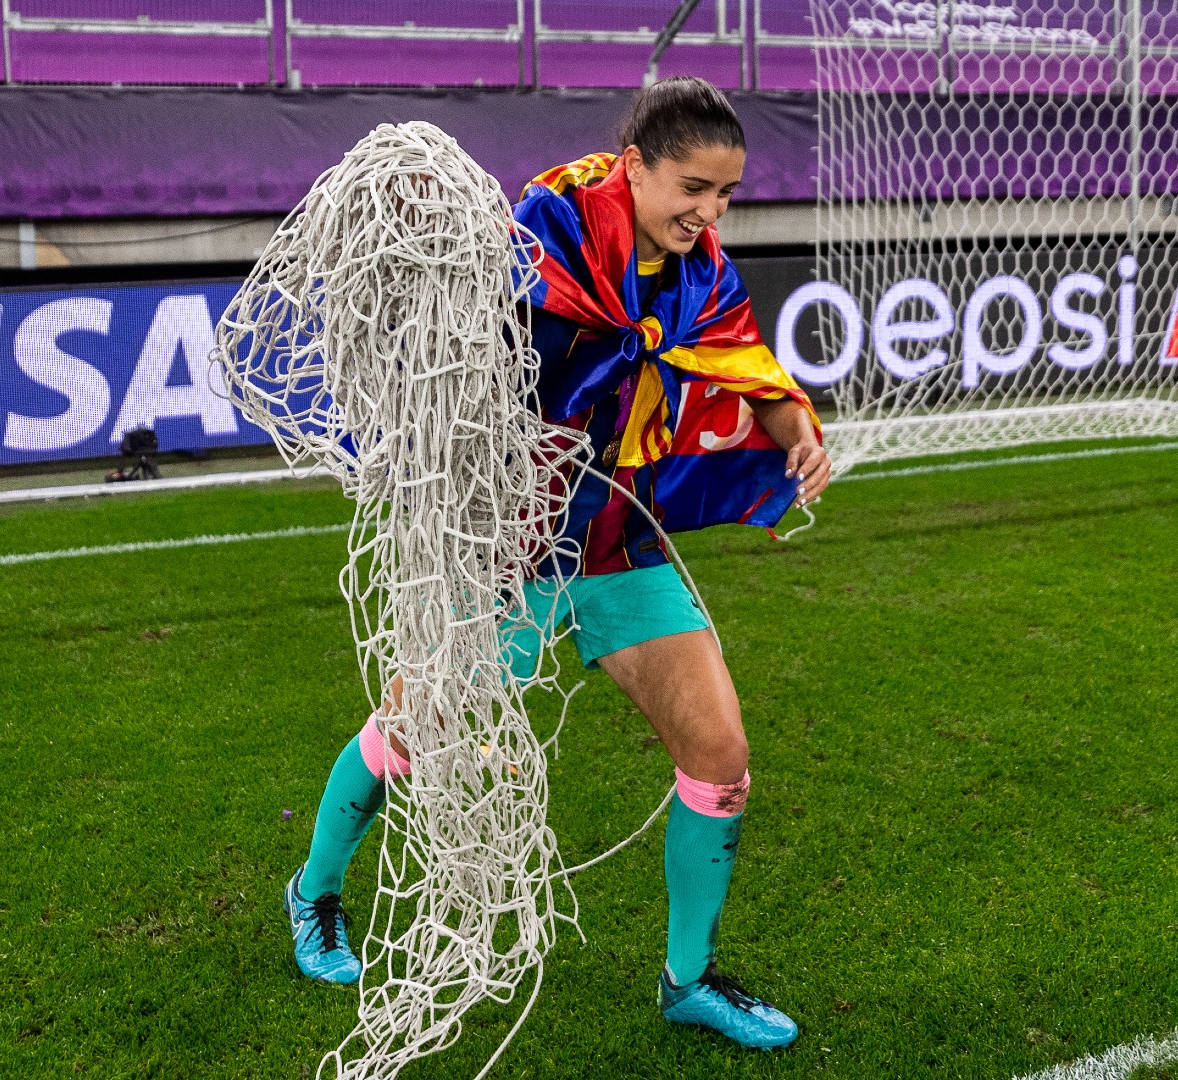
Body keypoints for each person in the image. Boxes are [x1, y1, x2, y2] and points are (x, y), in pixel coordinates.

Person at [281, 77, 831, 1051]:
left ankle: (689, 980)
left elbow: (749, 369)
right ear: (634, 168)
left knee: (720, 757)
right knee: (412, 736)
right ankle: (313, 894)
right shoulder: (548, 224)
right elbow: (445, 340)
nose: (709, 214)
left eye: (727, 195)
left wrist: (795, 437)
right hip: (504, 536)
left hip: (617, 536)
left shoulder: (696, 268)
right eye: (694, 188)